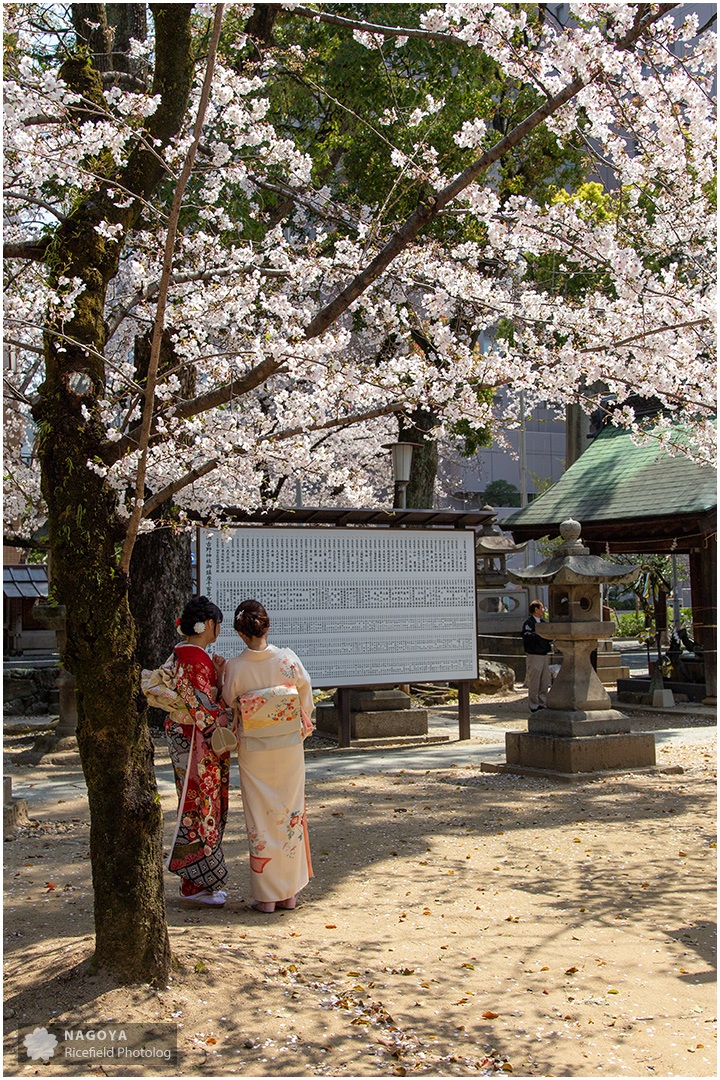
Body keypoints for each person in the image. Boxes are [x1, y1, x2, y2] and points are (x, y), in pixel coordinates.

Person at [222, 599, 314, 914]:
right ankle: (289, 893)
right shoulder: (288, 660)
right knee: (290, 814)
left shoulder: (235, 667)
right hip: (288, 745)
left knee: (260, 817)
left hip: (255, 748)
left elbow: (228, 699)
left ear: (239, 633)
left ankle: (266, 896)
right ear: (267, 626)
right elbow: (305, 696)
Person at [153, 595, 232, 907]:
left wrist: (217, 676)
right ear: (209, 624)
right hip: (195, 739)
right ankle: (193, 884)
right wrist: (225, 710)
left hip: (189, 736)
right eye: (218, 625)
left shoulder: (188, 655)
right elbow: (202, 707)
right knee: (197, 808)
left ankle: (200, 882)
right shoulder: (192, 659)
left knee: (198, 806)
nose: (218, 631)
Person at [522, 599, 552, 713]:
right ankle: (533, 704)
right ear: (536, 609)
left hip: (544, 654)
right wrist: (539, 636)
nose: (543, 610)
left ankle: (542, 702)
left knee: (544, 680)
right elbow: (527, 636)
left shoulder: (543, 623)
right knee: (535, 680)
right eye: (542, 608)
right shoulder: (529, 623)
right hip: (534, 655)